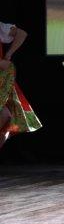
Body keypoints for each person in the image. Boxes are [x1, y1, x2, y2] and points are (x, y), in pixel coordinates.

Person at [0, 21, 41, 149]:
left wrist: (8, 54)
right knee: (6, 115)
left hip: (2, 79)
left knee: (8, 116)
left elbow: (21, 33)